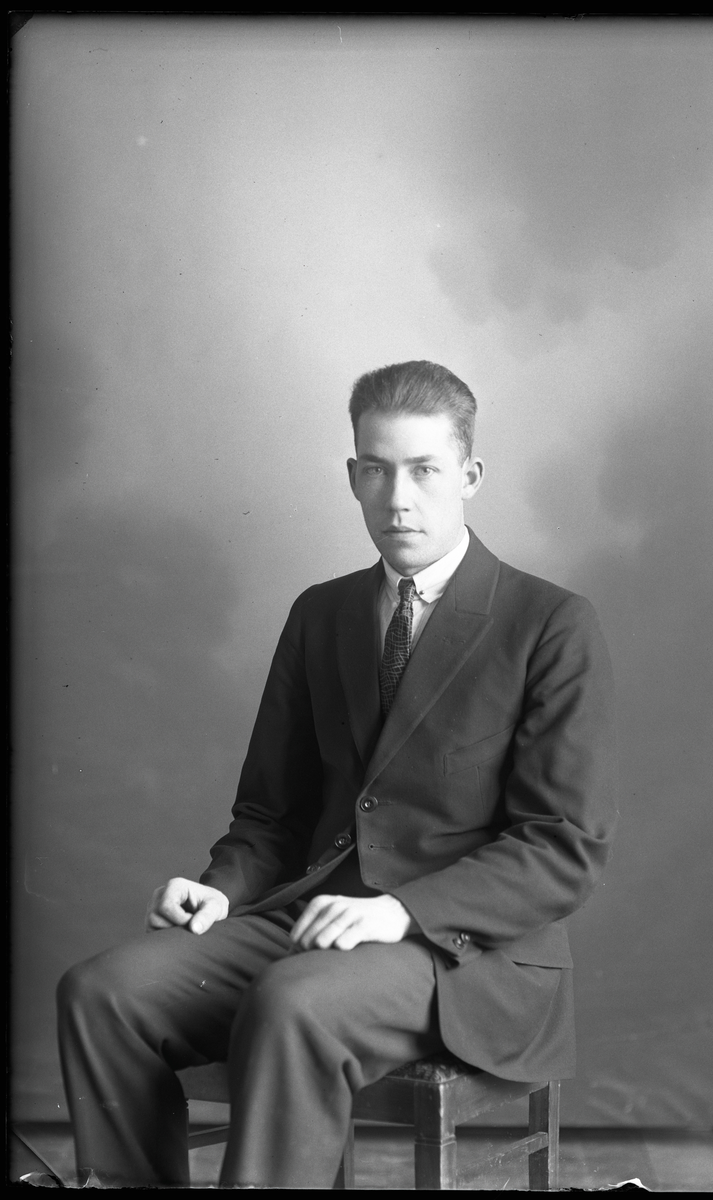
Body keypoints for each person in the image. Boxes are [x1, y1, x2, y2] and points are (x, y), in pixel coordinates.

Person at [57, 360, 617, 1188]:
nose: (398, 499)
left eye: (424, 470)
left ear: (469, 476)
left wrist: (399, 912)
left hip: (469, 957)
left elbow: (560, 846)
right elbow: (269, 816)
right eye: (377, 470)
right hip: (314, 923)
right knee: (102, 991)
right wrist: (220, 892)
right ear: (353, 476)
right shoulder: (321, 613)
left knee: (294, 1001)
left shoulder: (550, 624)